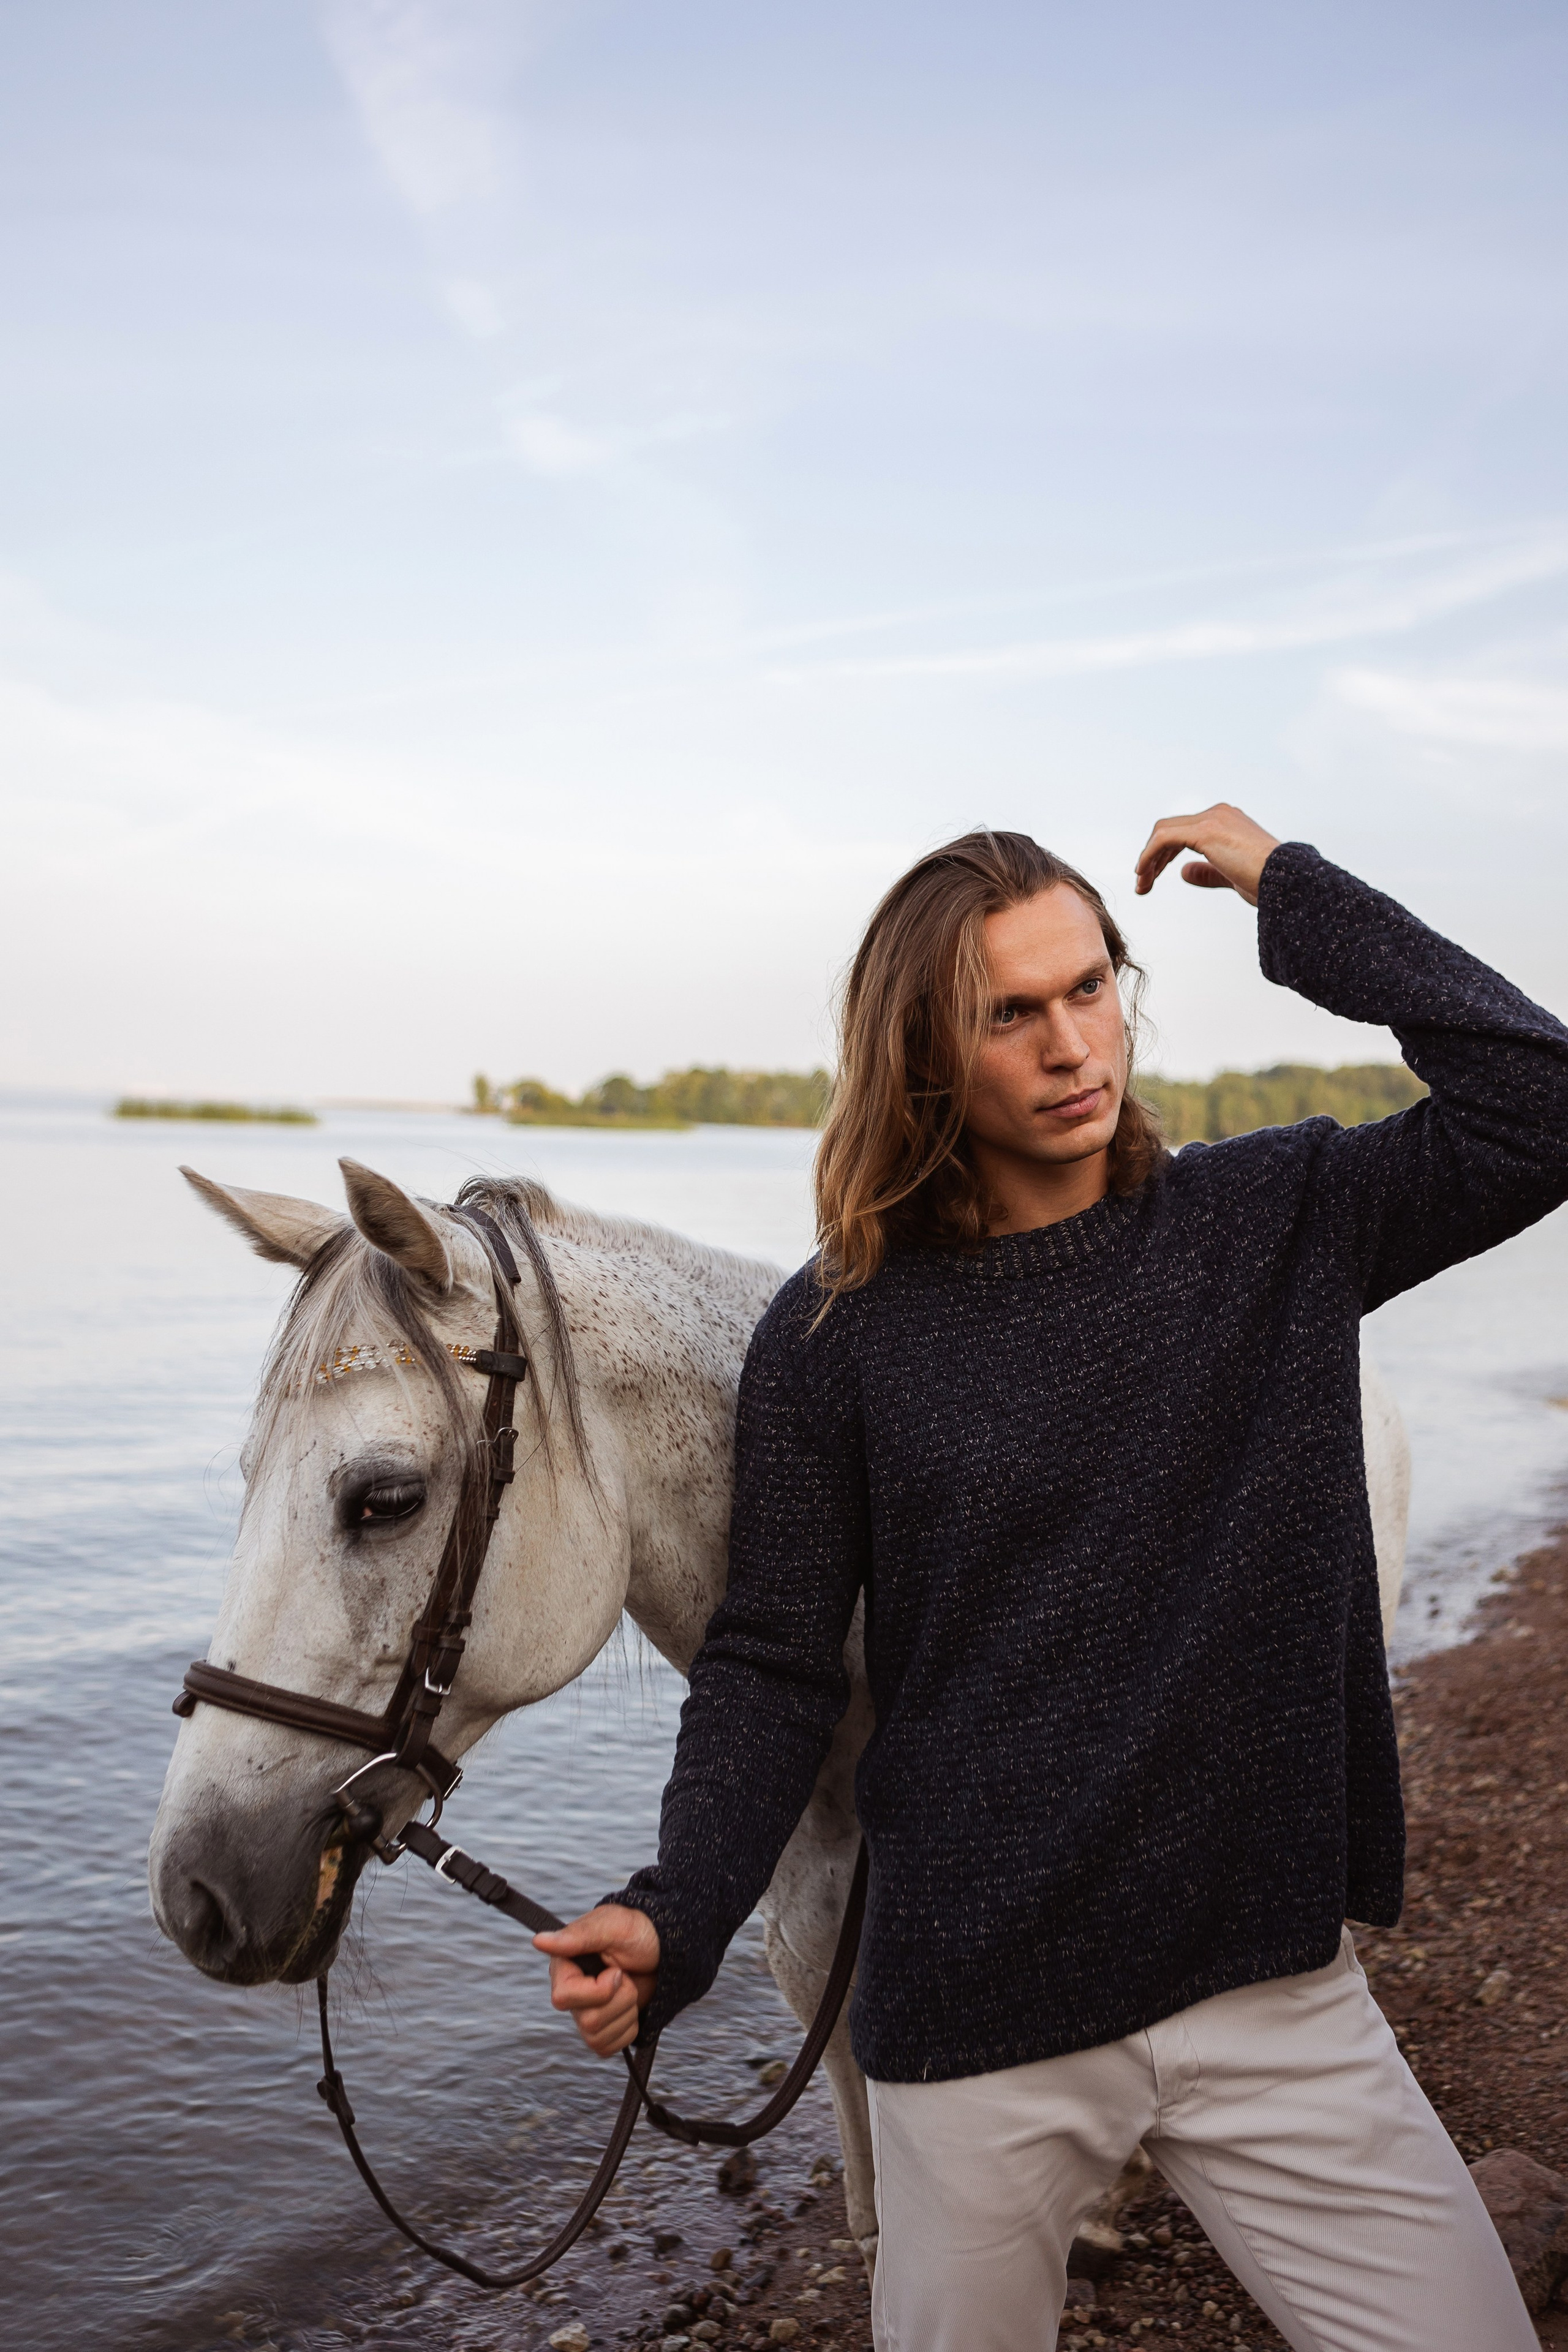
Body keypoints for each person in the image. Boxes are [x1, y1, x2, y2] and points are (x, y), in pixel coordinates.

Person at [535, 807, 1562, 2352]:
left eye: (1091, 987)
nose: (1073, 1044)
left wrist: (1292, 892)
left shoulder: (1271, 1221)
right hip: (975, 2037)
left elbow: (1538, 1102)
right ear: (922, 1055)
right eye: (1010, 1012)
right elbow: (769, 1670)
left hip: (1266, 1991)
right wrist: (673, 1919)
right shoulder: (835, 1340)